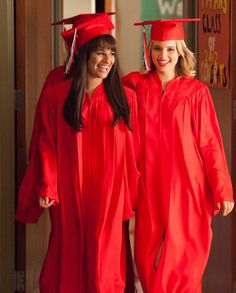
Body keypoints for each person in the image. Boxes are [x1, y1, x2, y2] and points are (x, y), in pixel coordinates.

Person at [16, 13, 140, 293]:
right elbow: (46, 145)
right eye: (99, 52)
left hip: (109, 192)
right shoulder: (56, 97)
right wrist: (47, 184)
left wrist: (132, 191)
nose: (107, 60)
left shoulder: (126, 98)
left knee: (106, 252)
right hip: (69, 190)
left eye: (111, 53)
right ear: (83, 55)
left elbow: (134, 150)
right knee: (68, 247)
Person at [122, 18, 234, 293]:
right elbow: (103, 91)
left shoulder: (196, 93)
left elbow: (210, 143)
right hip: (149, 185)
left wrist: (223, 190)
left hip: (187, 186)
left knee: (187, 257)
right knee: (147, 257)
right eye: (158, 49)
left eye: (170, 49)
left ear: (181, 52)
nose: (163, 56)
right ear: (149, 50)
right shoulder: (135, 85)